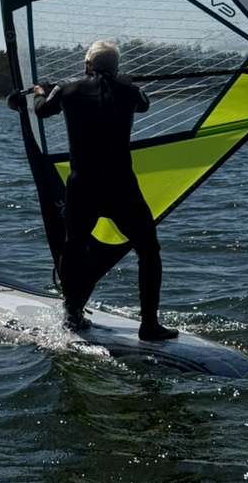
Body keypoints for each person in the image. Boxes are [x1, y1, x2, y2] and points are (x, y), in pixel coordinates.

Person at [33, 40, 178, 341]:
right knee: (149, 252)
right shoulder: (130, 91)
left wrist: (41, 92)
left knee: (73, 248)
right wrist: (126, 81)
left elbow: (42, 111)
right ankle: (149, 325)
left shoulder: (67, 89)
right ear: (117, 67)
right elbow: (145, 103)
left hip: (83, 188)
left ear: (86, 64)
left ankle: (72, 314)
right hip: (121, 188)